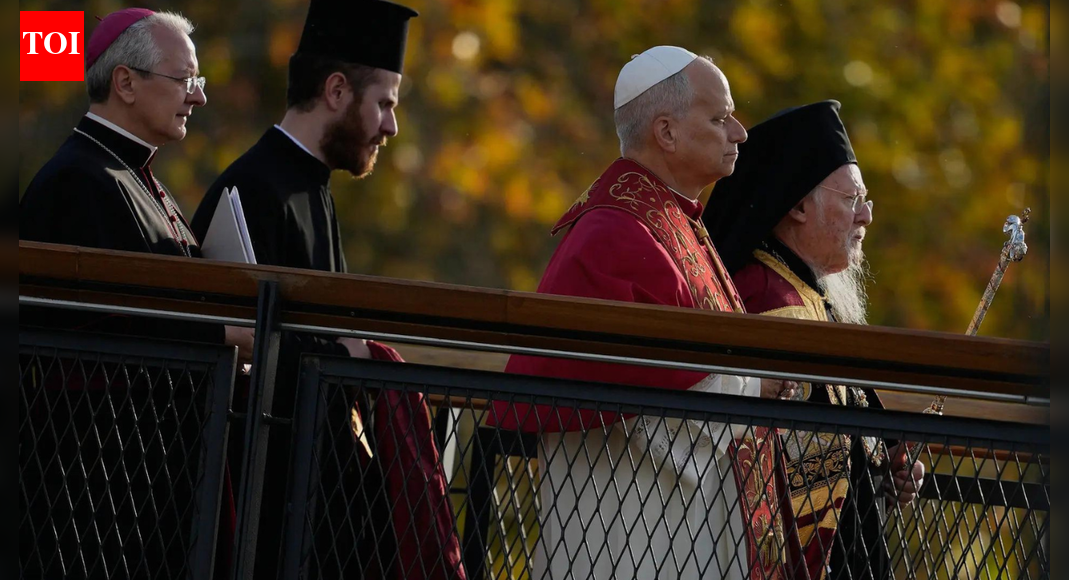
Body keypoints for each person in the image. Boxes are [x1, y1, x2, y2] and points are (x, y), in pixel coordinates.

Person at [488, 46, 792, 580]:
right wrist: (751, 387)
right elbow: (616, 387)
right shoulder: (614, 232)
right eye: (720, 118)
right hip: (624, 532)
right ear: (667, 133)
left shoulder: (675, 221)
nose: (740, 132)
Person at [190, 2, 464, 579]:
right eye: (385, 104)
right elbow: (236, 352)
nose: (391, 127)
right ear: (337, 90)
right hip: (270, 514)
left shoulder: (315, 189)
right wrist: (349, 355)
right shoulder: (253, 189)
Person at [18, 9, 252, 579]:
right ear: (125, 82)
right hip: (93, 490)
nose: (197, 98)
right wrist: (224, 336)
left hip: (141, 475)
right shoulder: (81, 180)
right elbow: (111, 327)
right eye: (185, 80)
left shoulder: (132, 174)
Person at [705, 100, 926, 580]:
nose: (866, 216)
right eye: (851, 200)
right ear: (799, 206)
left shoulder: (804, 292)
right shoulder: (769, 300)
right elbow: (801, 469)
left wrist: (885, 467)